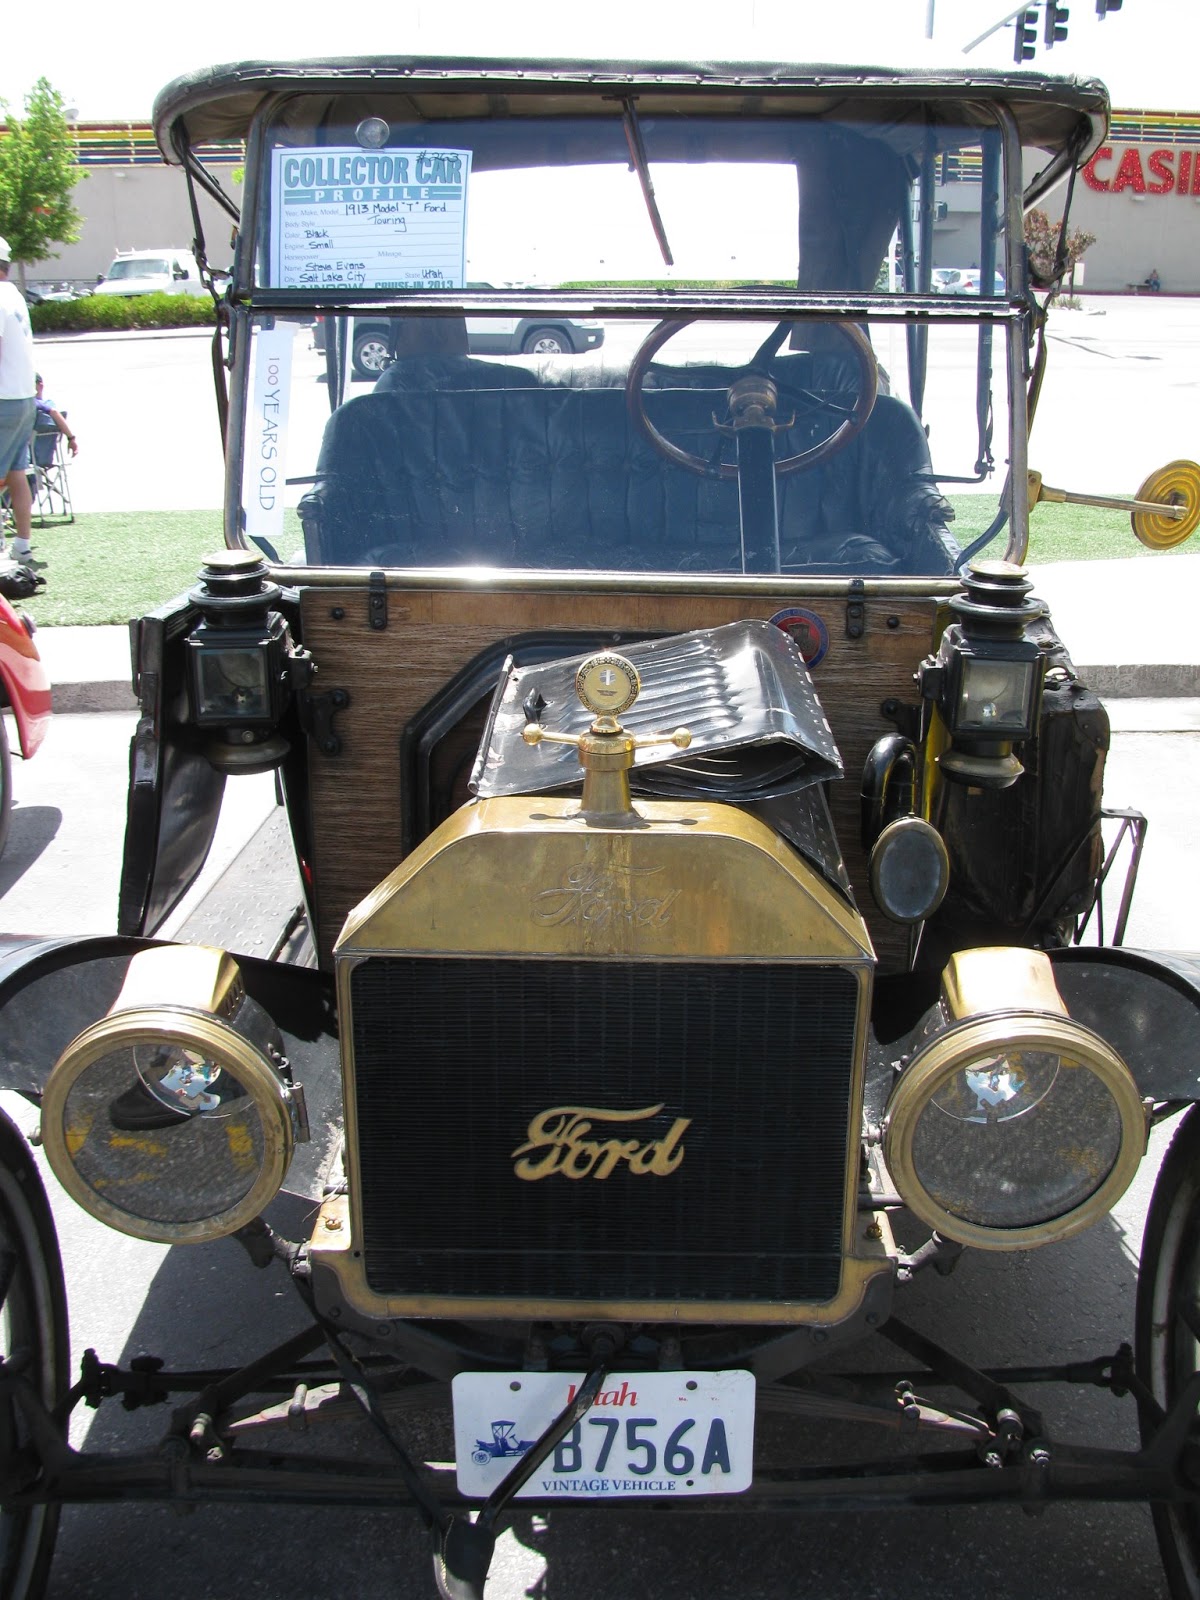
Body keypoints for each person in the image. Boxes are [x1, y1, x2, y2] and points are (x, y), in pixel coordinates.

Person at [0, 236, 38, 561]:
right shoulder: (13, 294)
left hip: (3, 398)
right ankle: (22, 546)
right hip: (23, 398)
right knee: (16, 473)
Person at [34, 373, 78, 456]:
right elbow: (54, 412)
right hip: (47, 455)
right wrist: (71, 438)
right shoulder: (49, 404)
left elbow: (54, 412)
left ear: (40, 386)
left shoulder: (32, 403)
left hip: (26, 453)